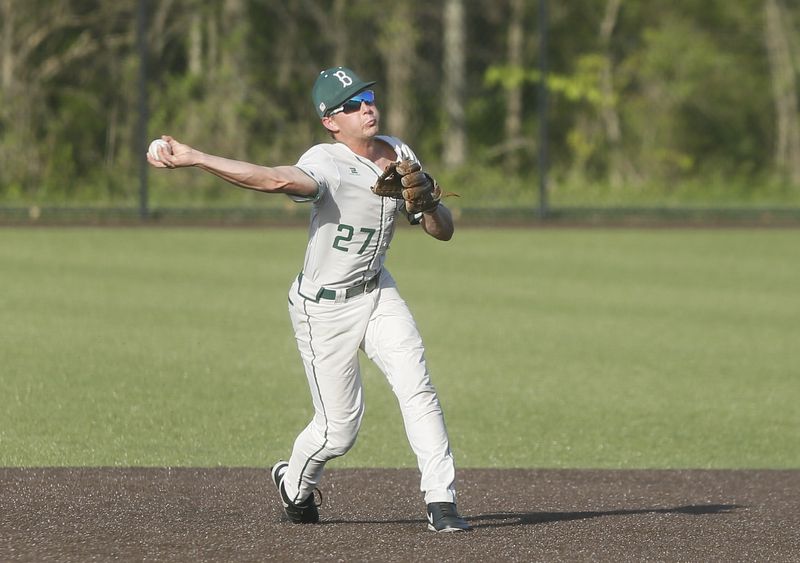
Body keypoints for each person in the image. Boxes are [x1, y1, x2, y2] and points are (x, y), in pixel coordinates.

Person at [147, 66, 470, 533]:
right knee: (339, 430)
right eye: (352, 104)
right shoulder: (325, 162)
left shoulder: (399, 152)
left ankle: (442, 501)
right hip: (324, 309)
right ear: (330, 122)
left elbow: (444, 232)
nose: (367, 107)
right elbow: (273, 180)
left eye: (368, 97)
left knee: (417, 387)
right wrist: (196, 157)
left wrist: (430, 206)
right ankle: (294, 483)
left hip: (378, 291)